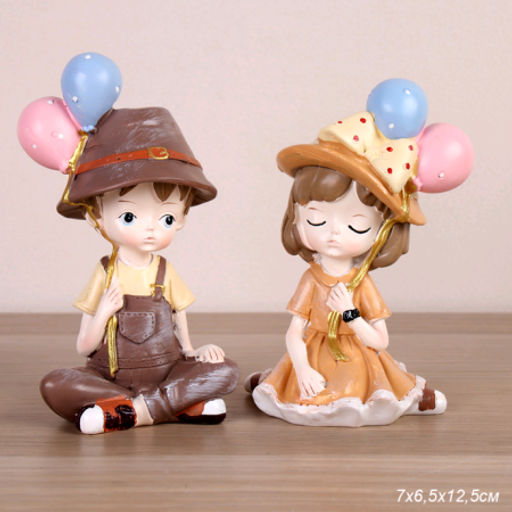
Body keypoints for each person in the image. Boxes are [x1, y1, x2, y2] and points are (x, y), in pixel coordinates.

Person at [40, 107, 239, 434]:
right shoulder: (105, 272)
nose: (151, 229)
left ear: (182, 218)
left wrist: (194, 352)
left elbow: (180, 320)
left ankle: (129, 412)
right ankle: (176, 404)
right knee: (55, 383)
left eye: (166, 219)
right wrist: (104, 312)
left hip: (167, 372)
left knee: (226, 370)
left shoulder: (165, 271)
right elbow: (84, 347)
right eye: (130, 217)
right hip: (109, 377)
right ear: (96, 216)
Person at [246, 114, 447, 427]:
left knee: (358, 389)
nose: (334, 233)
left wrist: (350, 314)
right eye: (316, 220)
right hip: (314, 352)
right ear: (296, 217)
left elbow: (380, 341)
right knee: (298, 386)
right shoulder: (312, 278)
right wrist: (303, 369)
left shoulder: (361, 282)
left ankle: (408, 396)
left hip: (356, 355)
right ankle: (274, 380)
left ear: (381, 232)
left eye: (356, 225)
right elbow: (294, 332)